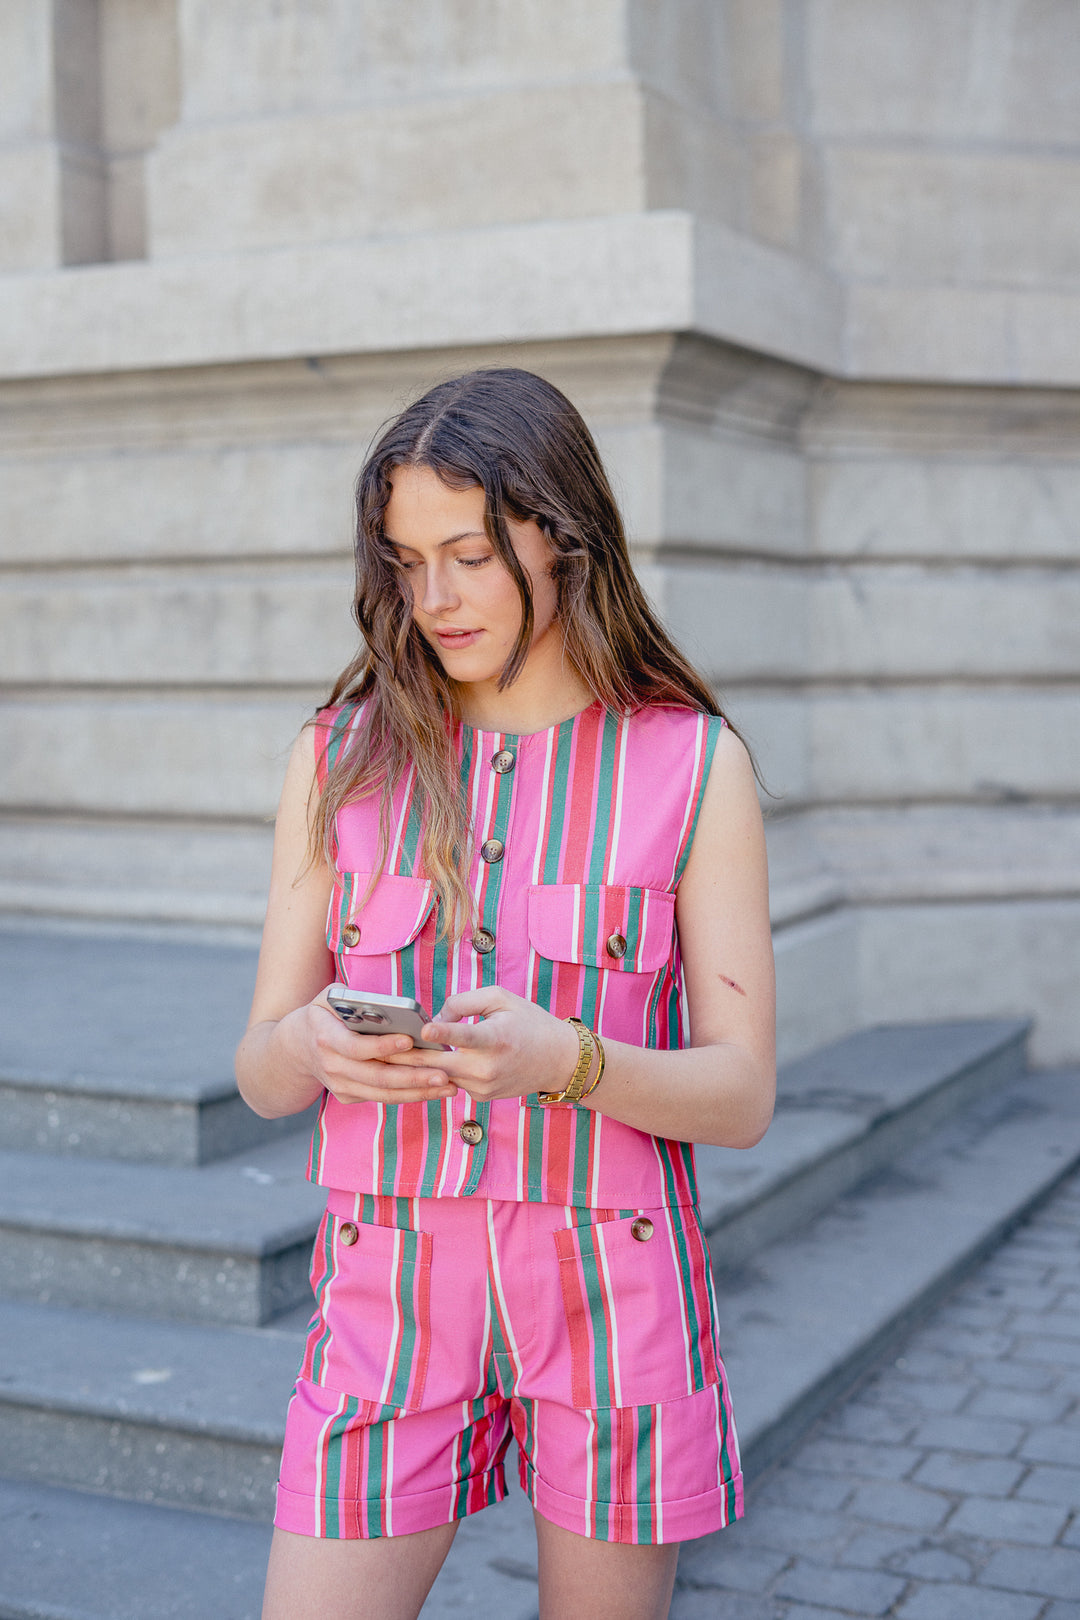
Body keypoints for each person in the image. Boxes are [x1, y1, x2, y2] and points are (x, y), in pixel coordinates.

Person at [236, 367, 776, 1620]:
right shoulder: (340, 757)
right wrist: (314, 1042)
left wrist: (569, 1060)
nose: (433, 598)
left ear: (560, 535)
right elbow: (262, 1068)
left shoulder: (694, 765)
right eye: (406, 560)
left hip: (616, 1301)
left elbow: (741, 1092)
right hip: (385, 1305)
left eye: (469, 553)